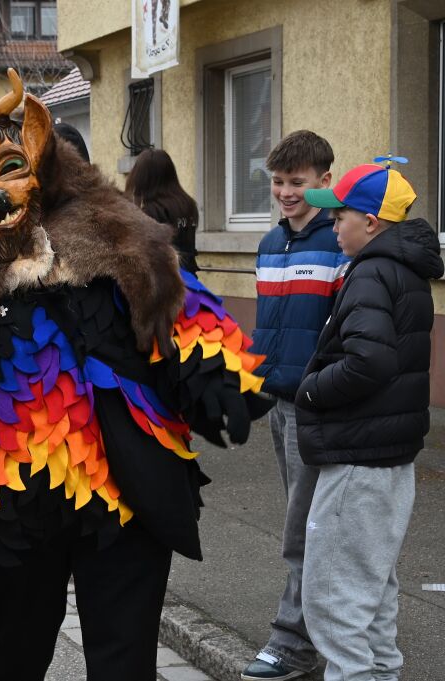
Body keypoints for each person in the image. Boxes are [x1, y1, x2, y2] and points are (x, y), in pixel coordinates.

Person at [0, 69, 268, 681]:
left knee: (123, 660)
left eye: (11, 169)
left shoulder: (121, 243)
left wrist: (216, 372)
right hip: (12, 502)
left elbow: (180, 309)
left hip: (121, 494)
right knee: (11, 655)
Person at [296, 160, 442, 681]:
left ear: (372, 223)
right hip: (385, 455)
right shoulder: (401, 270)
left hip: (359, 458)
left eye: (340, 217)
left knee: (334, 601)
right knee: (371, 592)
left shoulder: (373, 273)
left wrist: (310, 389)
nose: (333, 226)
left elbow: (369, 362)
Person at [242, 130, 346, 681]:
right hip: (278, 403)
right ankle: (331, 635)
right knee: (306, 524)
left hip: (317, 406)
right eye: (279, 182)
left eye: (297, 183)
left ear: (325, 182)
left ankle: (294, 643)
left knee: (305, 529)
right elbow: (271, 327)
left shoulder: (340, 243)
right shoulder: (268, 244)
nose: (285, 192)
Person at [124, 148, 200, 273]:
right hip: (189, 280)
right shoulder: (189, 205)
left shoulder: (152, 212)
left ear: (142, 178)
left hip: (166, 283)